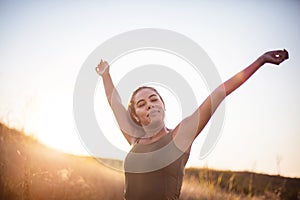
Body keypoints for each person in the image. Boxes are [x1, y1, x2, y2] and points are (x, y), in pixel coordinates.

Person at [95, 49, 289, 200]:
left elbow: (218, 94)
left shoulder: (179, 137)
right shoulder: (134, 139)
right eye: (142, 104)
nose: (150, 105)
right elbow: (115, 104)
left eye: (154, 99)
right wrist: (105, 75)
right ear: (135, 116)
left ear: (163, 105)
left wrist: (260, 61)